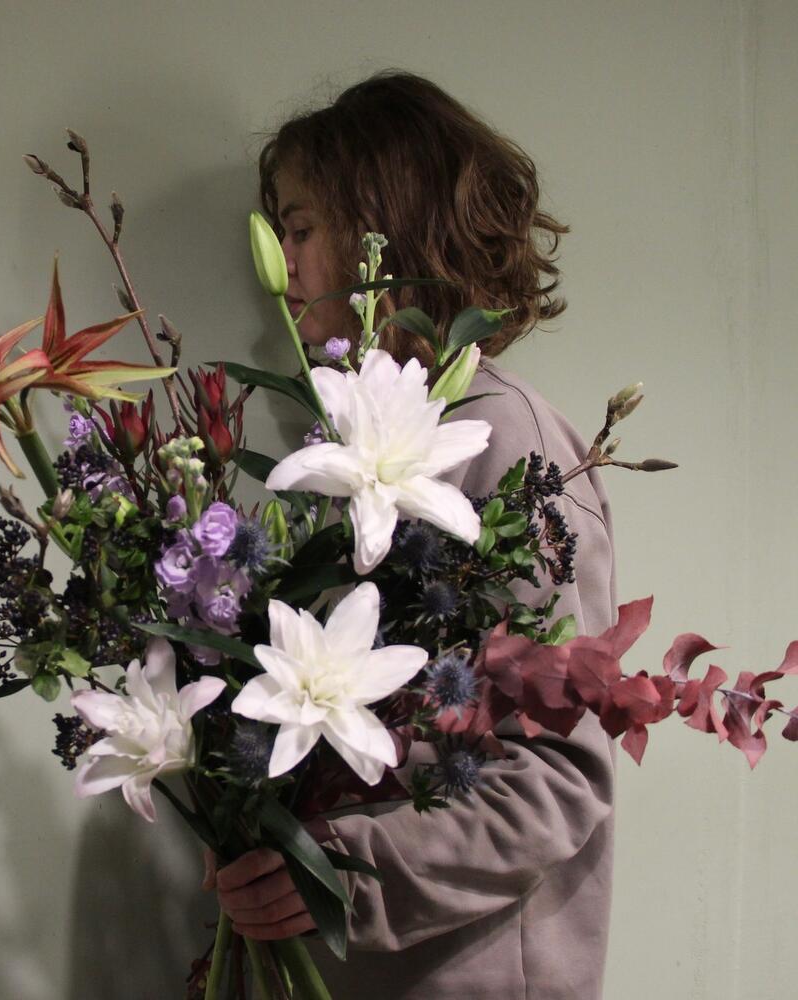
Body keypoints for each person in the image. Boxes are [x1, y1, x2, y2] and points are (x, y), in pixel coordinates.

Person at [205, 71, 618, 1000]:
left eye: (301, 229)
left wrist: (337, 874)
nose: (283, 265)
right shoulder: (361, 440)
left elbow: (558, 775)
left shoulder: (505, 440)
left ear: (383, 233)